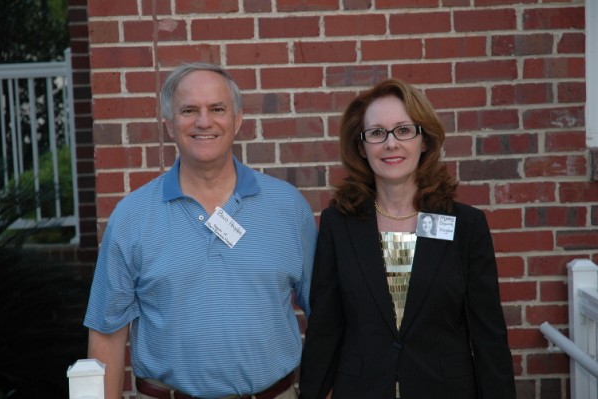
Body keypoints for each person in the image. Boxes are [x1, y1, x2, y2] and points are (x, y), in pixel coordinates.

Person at [84, 62, 317, 399]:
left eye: (217, 109)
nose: (204, 121)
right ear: (169, 124)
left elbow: (324, 316)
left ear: (237, 119)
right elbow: (106, 333)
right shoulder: (132, 216)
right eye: (189, 110)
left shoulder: (288, 208)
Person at [299, 78, 515, 399]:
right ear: (361, 146)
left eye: (403, 130)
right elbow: (325, 329)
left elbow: (488, 334)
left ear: (424, 141)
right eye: (376, 133)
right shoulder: (339, 225)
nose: (391, 143)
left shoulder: (466, 225)